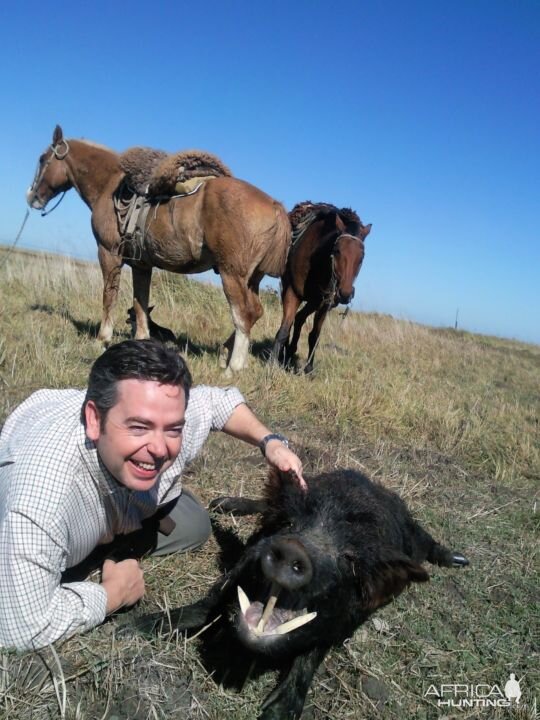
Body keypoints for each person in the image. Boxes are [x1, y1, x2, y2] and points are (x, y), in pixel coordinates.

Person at [0, 339, 305, 651]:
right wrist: (112, 595)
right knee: (65, 563)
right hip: (61, 505)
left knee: (195, 524)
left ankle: (117, 543)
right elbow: (20, 627)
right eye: (139, 427)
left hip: (125, 502)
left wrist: (271, 442)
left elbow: (218, 403)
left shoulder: (164, 412)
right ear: (94, 420)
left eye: (173, 429)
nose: (160, 449)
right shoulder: (41, 500)